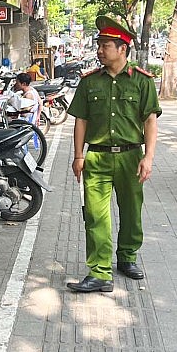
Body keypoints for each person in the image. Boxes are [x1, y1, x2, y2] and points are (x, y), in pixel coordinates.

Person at [66, 15, 161, 293]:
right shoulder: (89, 82)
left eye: (105, 45)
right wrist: (78, 156)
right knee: (95, 215)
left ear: (122, 49)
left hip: (131, 157)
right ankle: (99, 271)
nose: (99, 50)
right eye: (99, 45)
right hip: (97, 157)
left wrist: (148, 157)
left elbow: (150, 121)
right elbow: (81, 120)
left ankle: (127, 257)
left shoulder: (142, 81)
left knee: (131, 211)